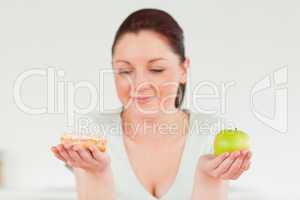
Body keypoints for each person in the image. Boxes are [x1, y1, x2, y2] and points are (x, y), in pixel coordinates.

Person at [51, 8, 252, 200]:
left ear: (183, 69)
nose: (139, 84)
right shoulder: (91, 133)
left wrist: (207, 177)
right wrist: (97, 173)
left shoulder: (212, 133)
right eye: (124, 71)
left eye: (156, 69)